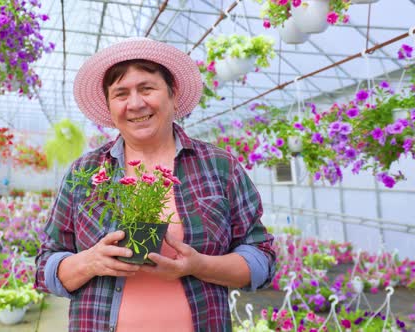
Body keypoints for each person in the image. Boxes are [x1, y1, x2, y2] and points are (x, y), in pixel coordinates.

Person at [35, 38, 276, 331]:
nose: (135, 103)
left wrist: (198, 265)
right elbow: (44, 265)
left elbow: (261, 257)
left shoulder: (218, 165)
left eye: (147, 88)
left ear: (173, 95)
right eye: (120, 94)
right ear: (110, 107)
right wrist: (91, 262)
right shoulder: (85, 171)